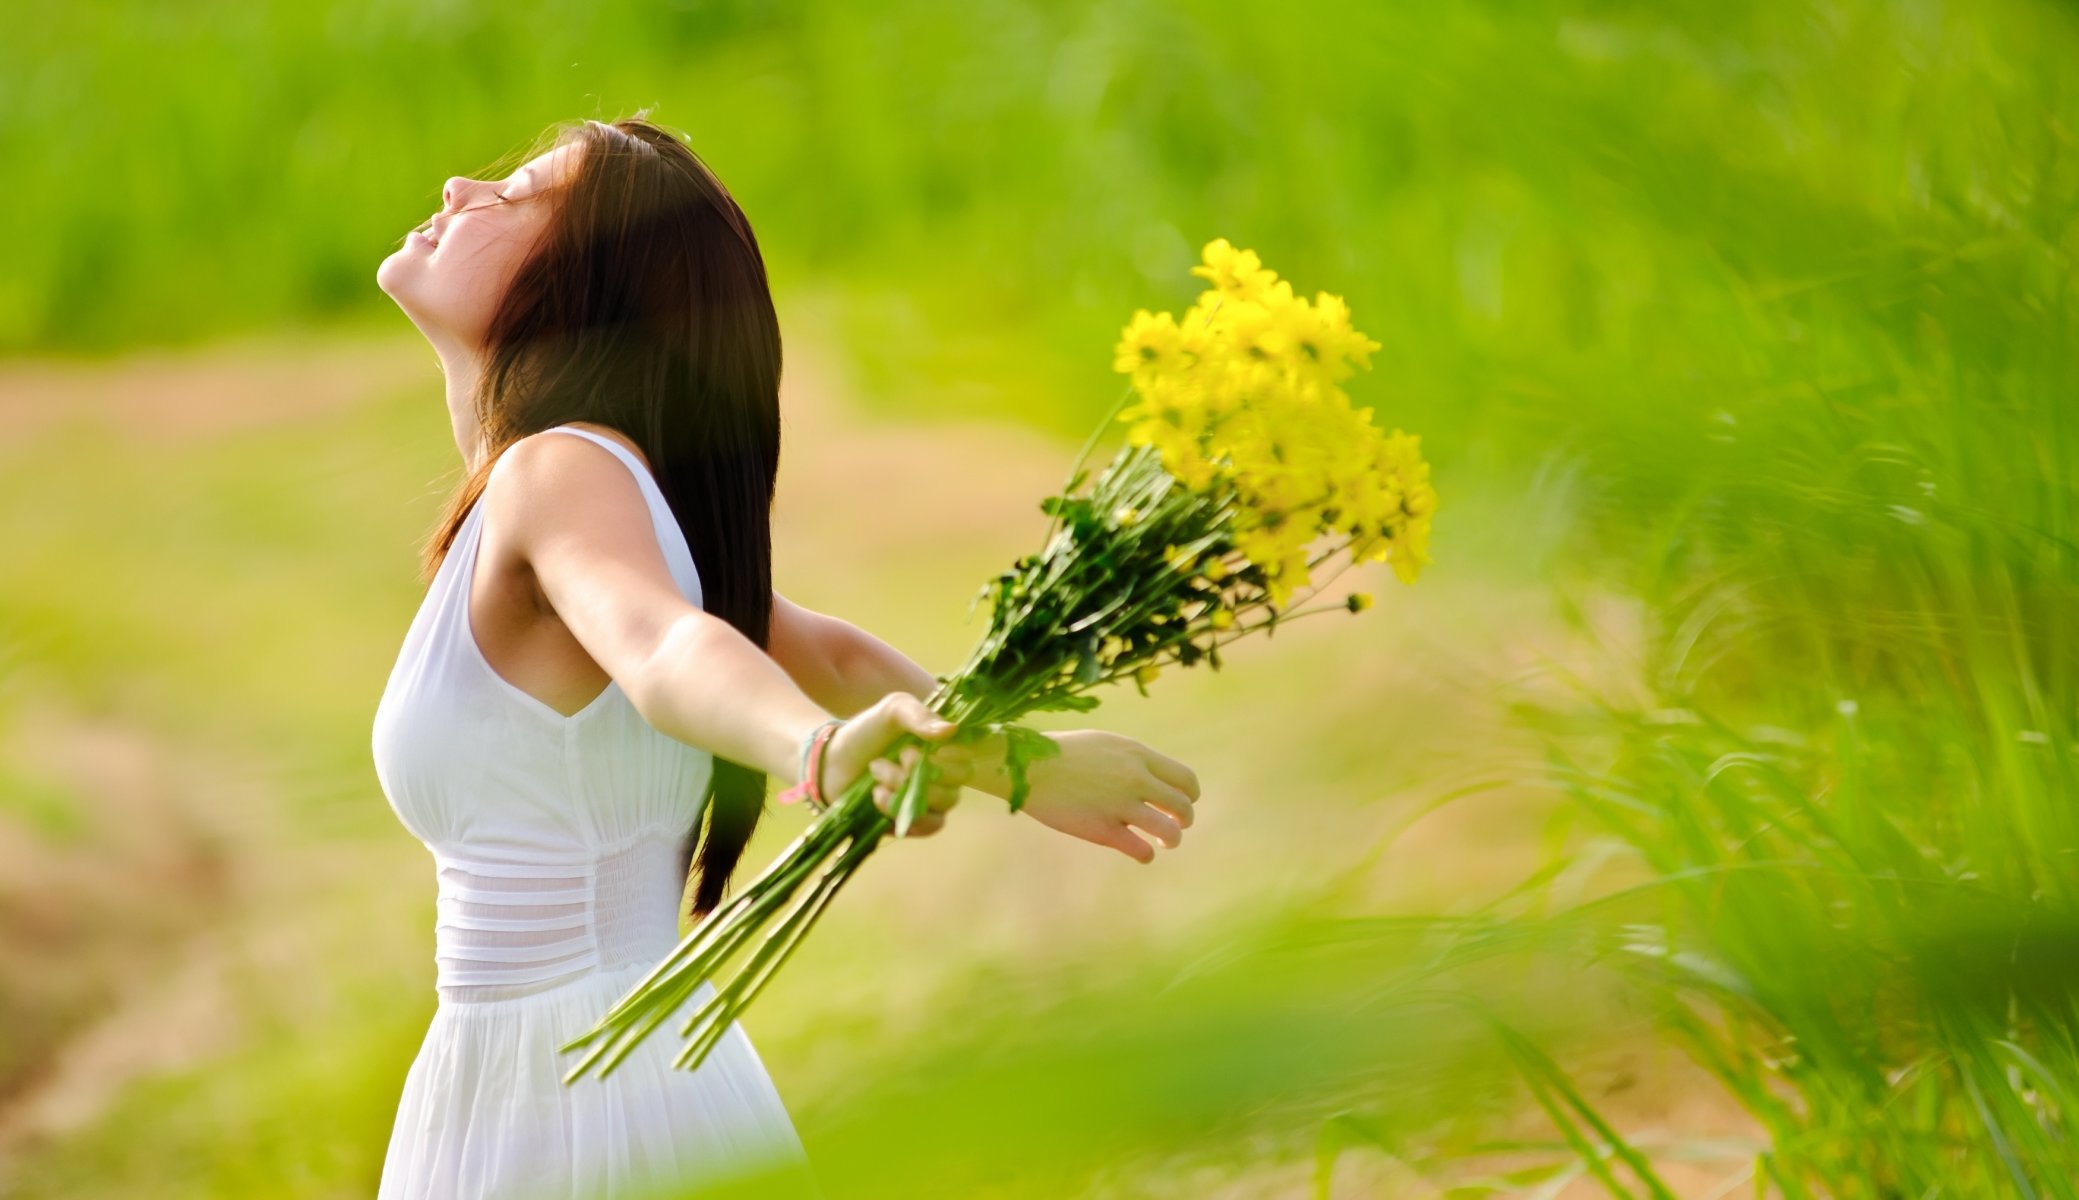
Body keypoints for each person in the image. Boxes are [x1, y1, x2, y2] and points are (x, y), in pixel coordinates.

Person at [368, 113, 1203, 1199]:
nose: (458, 188)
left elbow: (671, 649)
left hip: (570, 1091)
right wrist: (1020, 764)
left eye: (514, 195)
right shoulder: (566, 488)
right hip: (584, 1070)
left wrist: (818, 753)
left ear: (580, 289)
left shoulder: (558, 476)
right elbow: (826, 651)